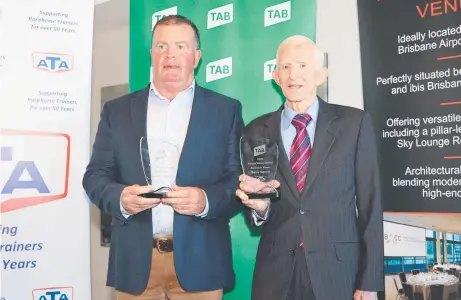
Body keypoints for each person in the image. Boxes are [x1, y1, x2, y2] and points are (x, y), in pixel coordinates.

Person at [83, 15, 243, 300]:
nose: (170, 56)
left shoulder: (225, 110)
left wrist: (205, 200)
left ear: (196, 57)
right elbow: (95, 177)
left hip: (201, 262)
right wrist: (120, 198)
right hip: (135, 264)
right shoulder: (116, 111)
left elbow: (236, 180)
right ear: (152, 54)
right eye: (162, 47)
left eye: (181, 46)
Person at [236, 35, 384, 300]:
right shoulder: (255, 131)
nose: (294, 75)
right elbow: (259, 211)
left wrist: (370, 281)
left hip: (338, 271)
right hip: (275, 274)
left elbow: (371, 205)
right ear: (276, 76)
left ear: (320, 75)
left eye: (303, 66)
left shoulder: (354, 124)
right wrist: (259, 208)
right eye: (286, 67)